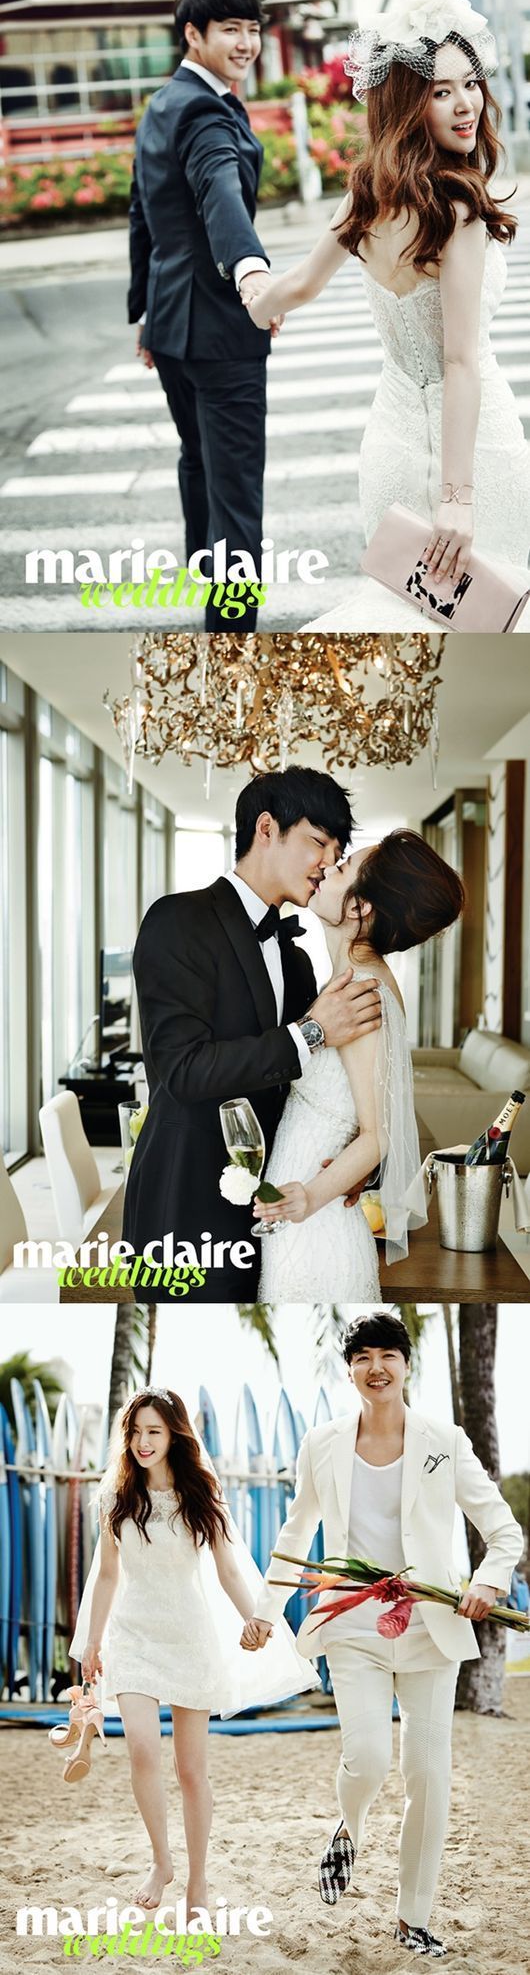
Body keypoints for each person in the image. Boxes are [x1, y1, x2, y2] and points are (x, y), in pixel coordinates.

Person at [247, 0, 530, 633]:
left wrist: (255, 299)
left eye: (470, 84)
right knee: (490, 621)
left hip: (392, 446)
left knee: (405, 620)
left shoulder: (366, 193)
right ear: (407, 102)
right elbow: (459, 362)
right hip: (477, 452)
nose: (466, 103)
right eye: (441, 91)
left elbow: (298, 287)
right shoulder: (457, 208)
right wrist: (457, 499)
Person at [244, 1312, 523, 1958]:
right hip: (352, 1623)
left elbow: (503, 1529)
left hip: (431, 1625)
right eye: (362, 1357)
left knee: (427, 1774)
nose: (376, 1367)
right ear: (349, 1371)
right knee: (367, 1758)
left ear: (405, 1365)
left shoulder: (444, 1440)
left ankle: (412, 1917)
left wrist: (487, 1581)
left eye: (387, 1355)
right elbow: (295, 1533)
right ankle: (351, 1824)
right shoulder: (321, 1444)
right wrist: (266, 1610)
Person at [124, 765, 382, 1303]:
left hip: (272, 1213)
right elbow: (182, 1070)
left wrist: (348, 1166)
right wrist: (312, 1032)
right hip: (186, 1208)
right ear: (267, 828)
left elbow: (303, 1091)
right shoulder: (178, 920)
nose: (328, 862)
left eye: (338, 852)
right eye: (319, 842)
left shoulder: (296, 958)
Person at [69, 1388, 318, 1919]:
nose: (143, 1442)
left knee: (191, 1771)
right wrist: (92, 1640)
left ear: (174, 1435)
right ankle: (161, 1861)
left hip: (190, 1637)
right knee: (142, 1750)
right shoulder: (115, 1497)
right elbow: (107, 1575)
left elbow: (229, 1569)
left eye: (154, 1432)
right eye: (136, 1432)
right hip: (133, 1636)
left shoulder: (201, 1493)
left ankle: (198, 1881)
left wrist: (256, 1617)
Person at [128, 0, 280, 633]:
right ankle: (232, 640)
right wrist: (251, 274)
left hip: (171, 329)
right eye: (230, 30)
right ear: (194, 34)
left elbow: (143, 213)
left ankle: (209, 582)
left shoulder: (163, 104)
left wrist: (146, 312)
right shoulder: (205, 112)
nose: (246, 43)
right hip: (219, 332)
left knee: (199, 462)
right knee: (236, 493)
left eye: (253, 29)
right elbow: (219, 192)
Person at [254, 830, 464, 1303]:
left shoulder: (363, 993)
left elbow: (378, 1134)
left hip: (315, 1217)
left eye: (343, 867)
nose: (328, 868)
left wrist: (310, 1197)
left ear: (359, 906)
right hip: (302, 1205)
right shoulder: (351, 983)